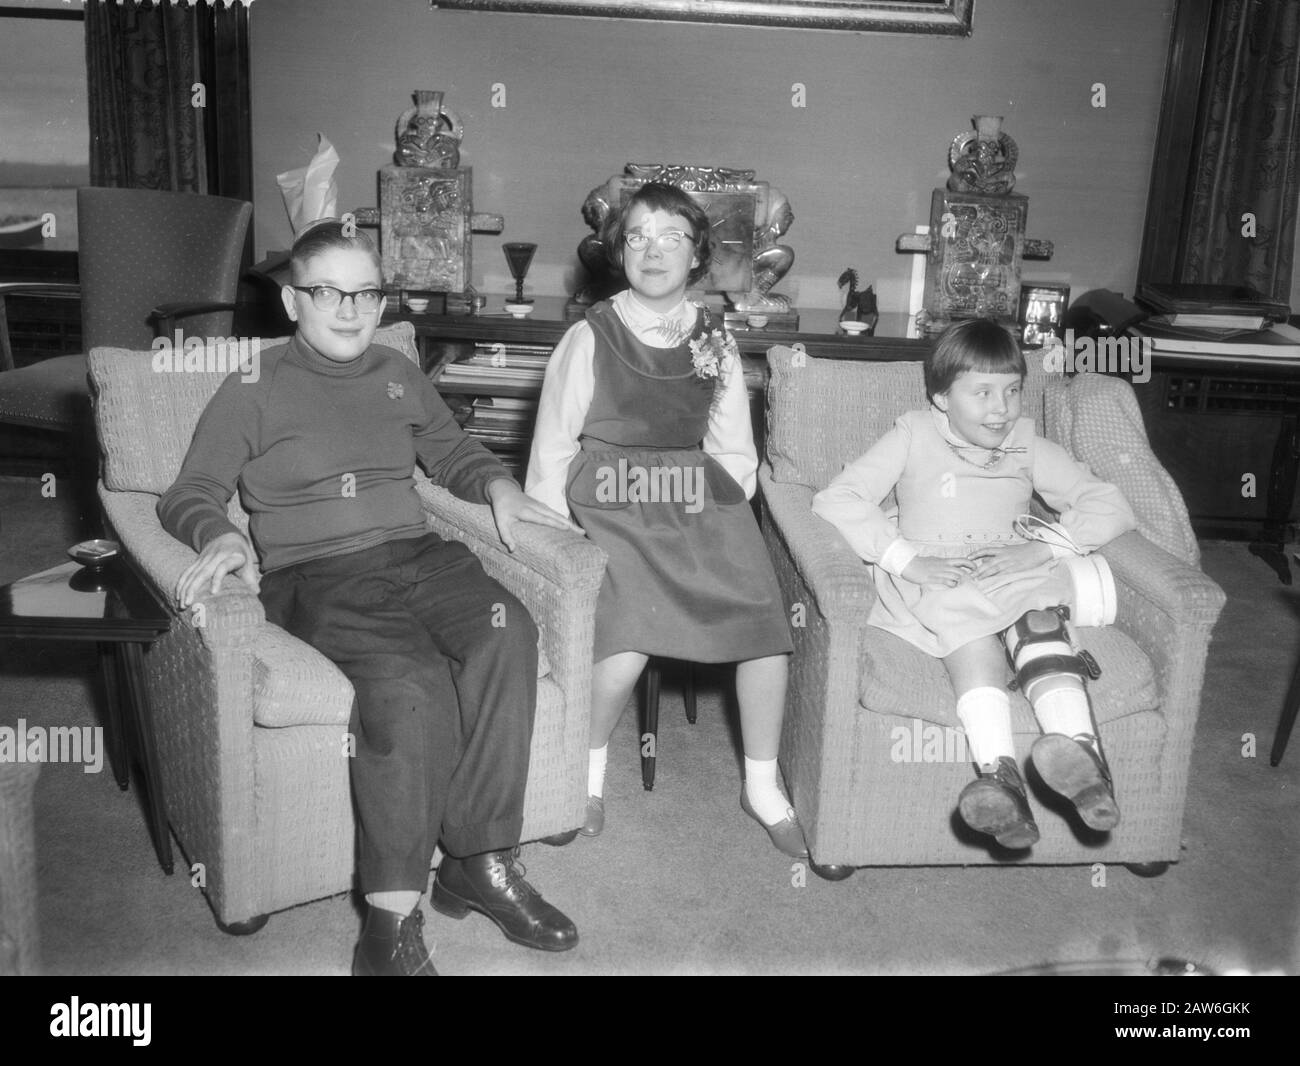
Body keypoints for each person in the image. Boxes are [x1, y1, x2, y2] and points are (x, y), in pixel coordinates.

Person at [159, 219, 578, 975]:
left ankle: (478, 863)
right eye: (329, 292)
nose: (351, 308)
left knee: (505, 631)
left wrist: (500, 489)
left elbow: (450, 449)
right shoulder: (252, 384)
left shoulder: (396, 369)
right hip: (319, 575)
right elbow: (191, 490)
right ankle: (390, 920)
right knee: (408, 685)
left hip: (420, 556)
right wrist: (217, 535)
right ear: (293, 303)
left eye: (366, 292)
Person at [526, 183, 803, 857]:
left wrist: (720, 521)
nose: (654, 251)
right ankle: (587, 777)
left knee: (765, 630)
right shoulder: (589, 337)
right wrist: (553, 535)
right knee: (624, 652)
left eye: (671, 237)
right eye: (638, 237)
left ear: (697, 256)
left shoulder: (716, 337)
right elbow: (553, 446)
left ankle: (761, 785)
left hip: (690, 489)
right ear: (618, 252)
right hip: (612, 494)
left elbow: (735, 445)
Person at [812, 319, 1137, 850]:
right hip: (940, 576)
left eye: (1012, 391)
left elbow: (1108, 502)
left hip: (1014, 567)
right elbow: (838, 498)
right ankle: (1001, 777)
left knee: (1039, 626)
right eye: (981, 392)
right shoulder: (913, 433)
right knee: (971, 641)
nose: (1000, 409)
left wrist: (1046, 544)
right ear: (941, 397)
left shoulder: (1026, 442)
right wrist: (906, 560)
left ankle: (1086, 765)